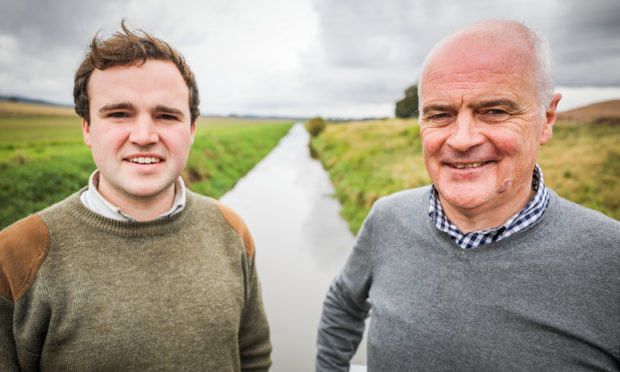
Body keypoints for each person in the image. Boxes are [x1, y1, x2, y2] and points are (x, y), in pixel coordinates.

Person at [316, 20, 620, 371]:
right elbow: (343, 302)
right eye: (440, 114)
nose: (461, 140)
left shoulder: (611, 259)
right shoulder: (386, 219)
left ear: (547, 118)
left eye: (494, 111)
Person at [0, 22, 271, 371]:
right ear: (87, 128)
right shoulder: (18, 254)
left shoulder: (231, 231)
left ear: (191, 130)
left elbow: (254, 357)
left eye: (166, 115)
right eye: (119, 114)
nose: (144, 135)